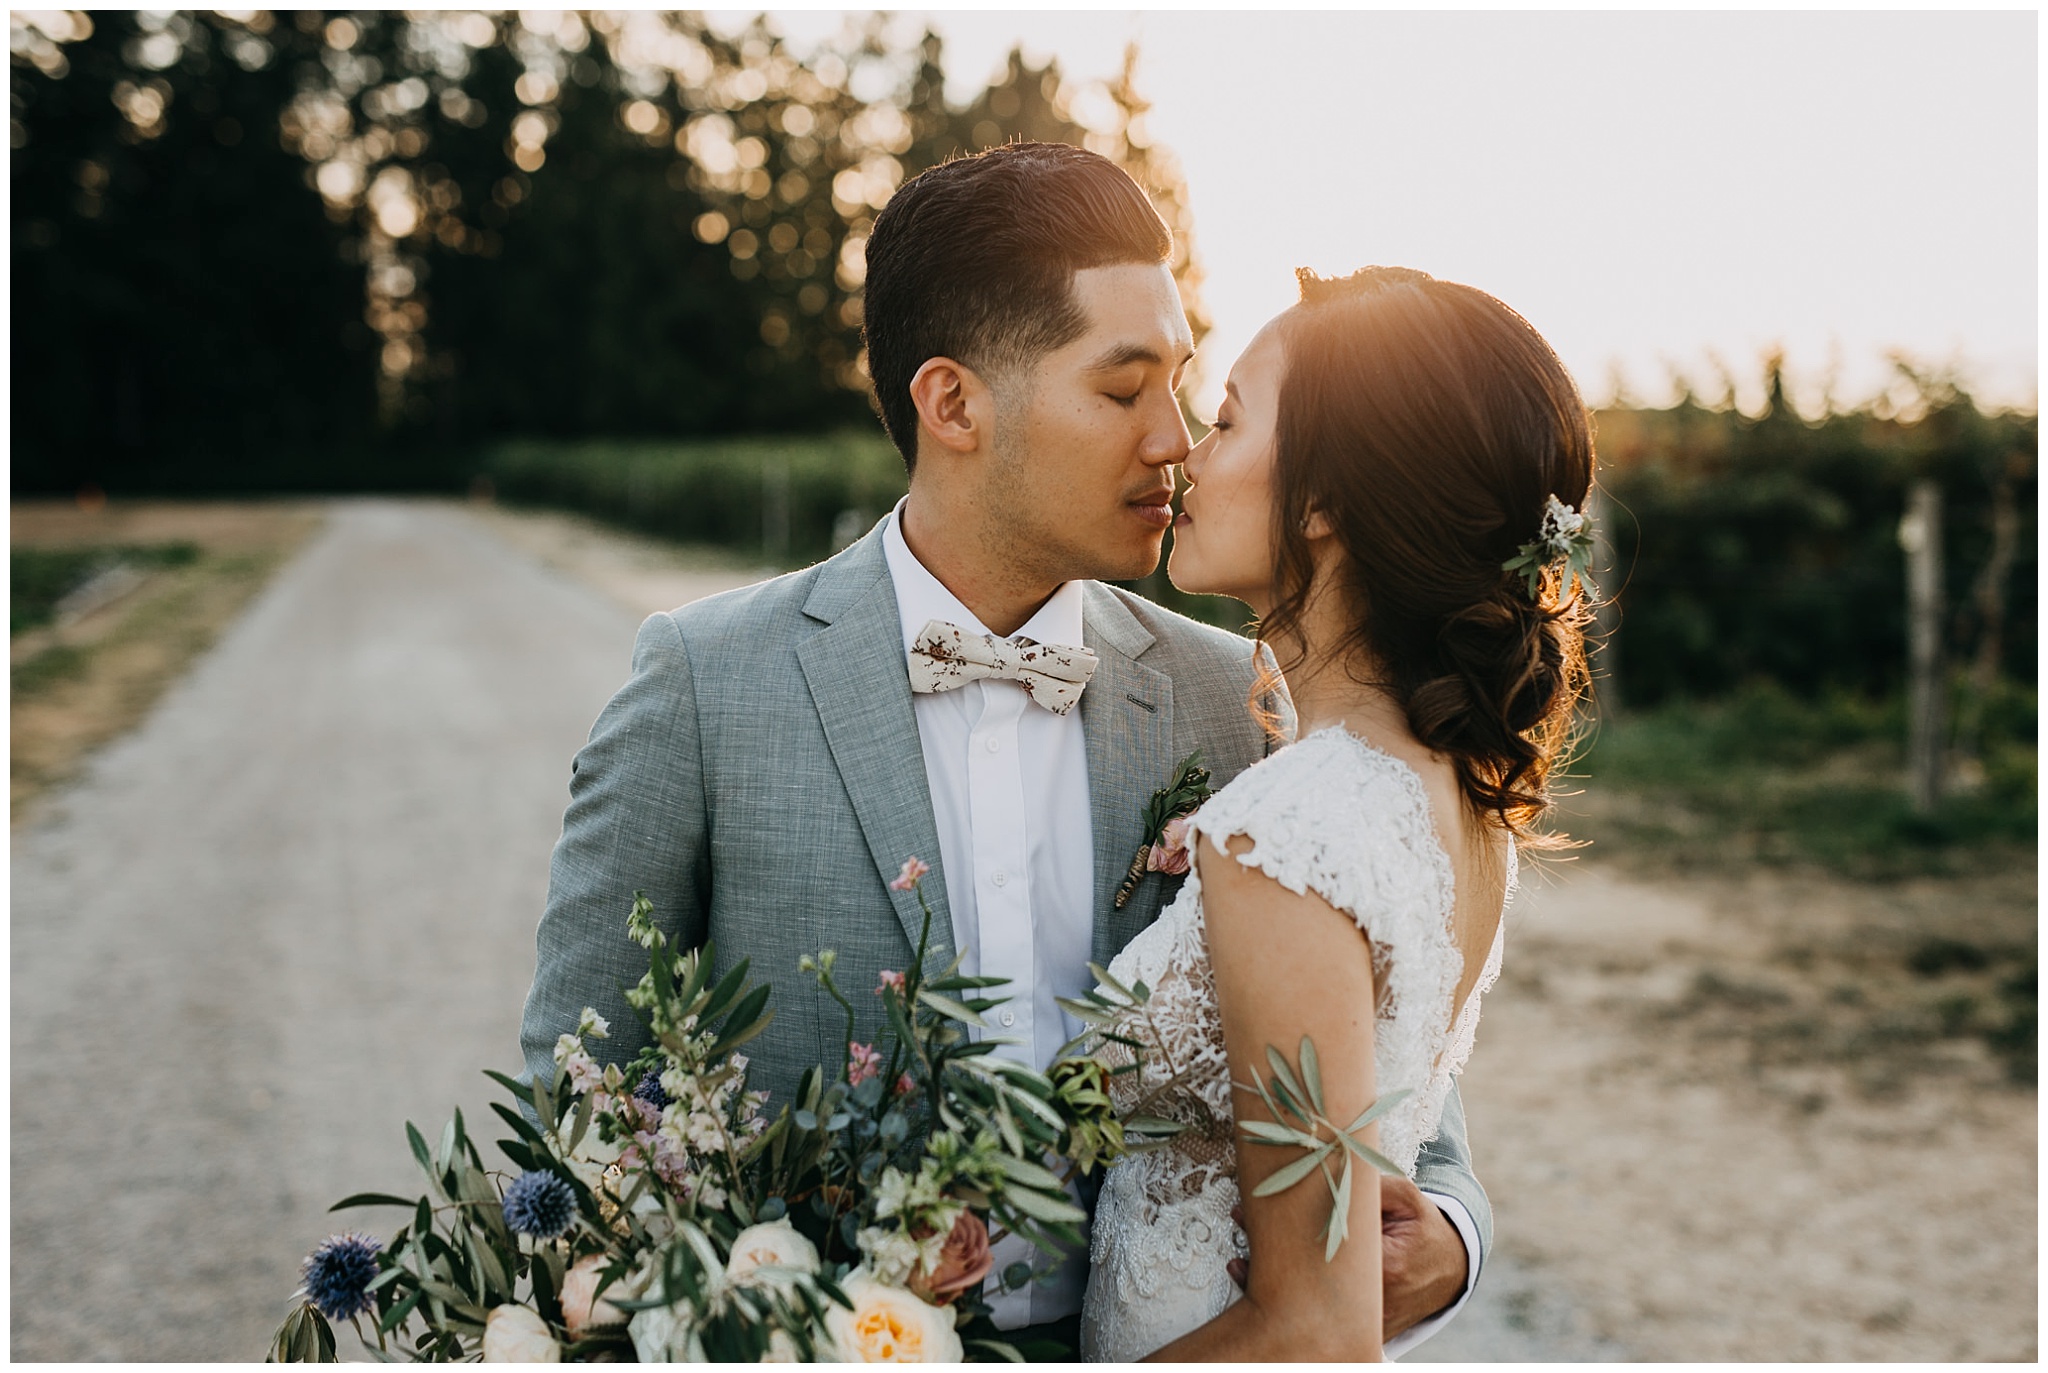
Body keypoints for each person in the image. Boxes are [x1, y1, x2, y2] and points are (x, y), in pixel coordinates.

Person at [520, 143, 1485, 1355]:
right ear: (953, 402)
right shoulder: (706, 684)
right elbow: (582, 1092)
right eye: (1121, 388)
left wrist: (1452, 1229)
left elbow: (1385, 1072)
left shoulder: (1226, 694)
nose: (1175, 441)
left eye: (1183, 388)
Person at [1078, 265, 1596, 1360]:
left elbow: (1311, 1330)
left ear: (1323, 502)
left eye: (1223, 420)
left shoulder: (1296, 821)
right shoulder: (1447, 793)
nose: (1187, 452)